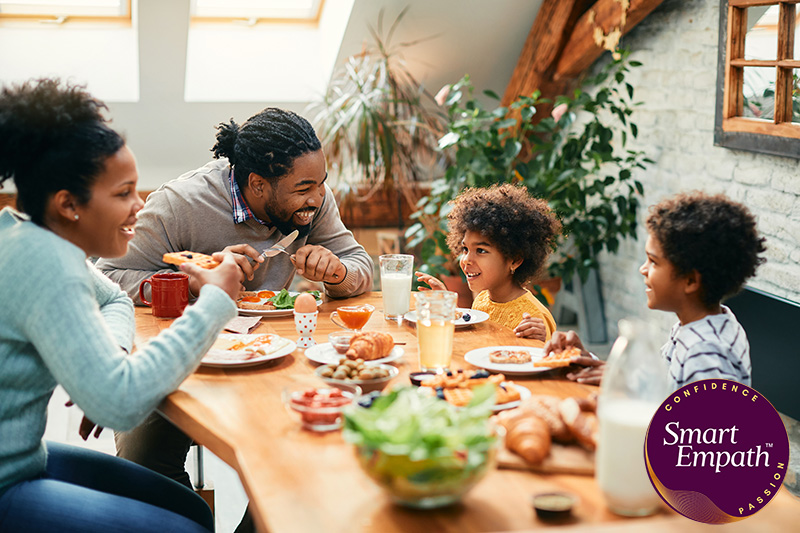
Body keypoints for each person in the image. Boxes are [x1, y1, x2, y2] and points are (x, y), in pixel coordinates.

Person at [0, 78, 242, 532]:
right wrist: (214, 301)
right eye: (123, 193)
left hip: (25, 460)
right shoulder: (47, 262)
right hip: (6, 483)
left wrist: (106, 363)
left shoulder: (24, 232)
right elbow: (121, 405)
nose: (140, 205)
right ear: (69, 204)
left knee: (192, 509)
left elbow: (112, 297)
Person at [96, 107, 372, 304]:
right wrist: (193, 283)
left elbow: (360, 265)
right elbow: (106, 279)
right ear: (258, 184)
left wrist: (337, 272)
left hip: (275, 344)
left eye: (321, 182)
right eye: (304, 189)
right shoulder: (178, 204)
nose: (318, 197)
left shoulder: (313, 201)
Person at [545, 191, 767, 389]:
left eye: (653, 261)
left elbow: (703, 431)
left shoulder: (705, 353)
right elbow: (662, 385)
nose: (643, 269)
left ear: (690, 281)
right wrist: (590, 361)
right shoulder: (702, 324)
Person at [415, 183, 562, 341]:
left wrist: (542, 341)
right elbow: (475, 342)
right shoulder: (482, 299)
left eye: (481, 251)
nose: (466, 260)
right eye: (465, 249)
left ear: (515, 260)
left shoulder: (532, 317)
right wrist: (447, 305)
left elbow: (549, 360)